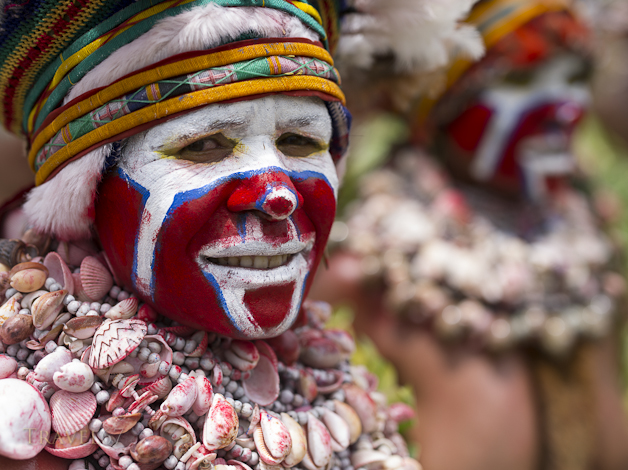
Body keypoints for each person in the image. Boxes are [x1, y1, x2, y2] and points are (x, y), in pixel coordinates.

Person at [0, 0, 481, 469]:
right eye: (204, 146)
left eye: (301, 141)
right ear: (87, 193)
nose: (279, 197)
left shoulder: (357, 382)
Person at [312, 1, 628, 469]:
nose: (563, 108)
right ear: (440, 102)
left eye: (574, 78)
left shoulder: (591, 270)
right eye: (522, 81)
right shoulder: (370, 280)